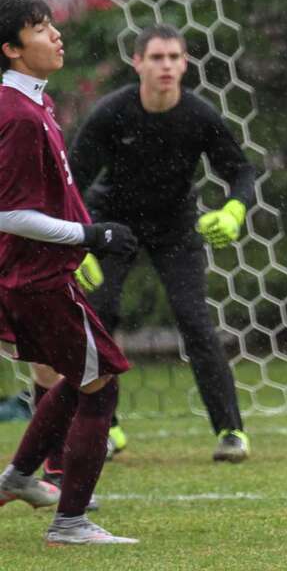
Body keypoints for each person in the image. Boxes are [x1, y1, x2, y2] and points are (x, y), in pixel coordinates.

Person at [68, 23, 255, 463]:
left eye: (174, 57)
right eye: (156, 57)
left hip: (175, 224)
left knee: (194, 320)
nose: (166, 65)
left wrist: (233, 211)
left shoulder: (199, 115)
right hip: (114, 222)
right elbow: (70, 179)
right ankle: (105, 428)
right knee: (101, 316)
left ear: (185, 63)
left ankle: (231, 431)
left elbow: (242, 172)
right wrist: (76, 244)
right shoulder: (112, 112)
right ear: (137, 63)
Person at [0, 0, 139, 544]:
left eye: (52, 24)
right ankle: (71, 522)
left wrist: (80, 241)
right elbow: (8, 213)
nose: (56, 34)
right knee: (100, 387)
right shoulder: (16, 115)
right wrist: (89, 234)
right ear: (10, 48)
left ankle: (16, 477)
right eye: (39, 28)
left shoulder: (33, 103)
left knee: (82, 377)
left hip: (42, 273)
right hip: (35, 279)